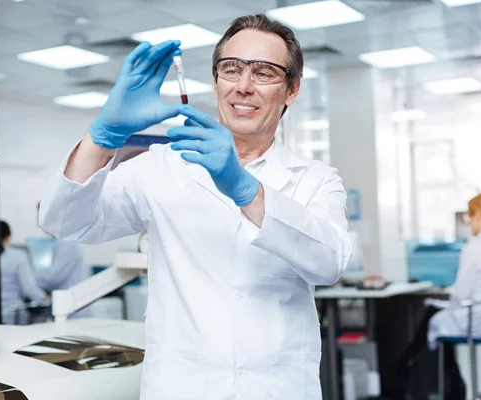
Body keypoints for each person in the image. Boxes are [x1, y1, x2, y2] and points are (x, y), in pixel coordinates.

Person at [39, 14, 352, 400]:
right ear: (216, 80)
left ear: (291, 90)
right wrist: (103, 137)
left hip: (279, 388)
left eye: (265, 73)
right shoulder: (160, 167)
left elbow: (329, 262)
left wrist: (245, 190)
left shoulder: (316, 179)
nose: (243, 86)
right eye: (231, 69)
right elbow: (63, 221)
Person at [398, 193, 481, 399]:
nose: (469, 223)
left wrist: (447, 297)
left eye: (469, 217)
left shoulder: (474, 248)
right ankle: (445, 382)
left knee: (433, 316)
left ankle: (417, 368)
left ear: (478, 216)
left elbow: (460, 294)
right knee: (436, 314)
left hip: (473, 321)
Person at [0, 220, 48, 325]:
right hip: (13, 316)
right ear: (8, 236)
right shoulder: (18, 257)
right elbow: (29, 289)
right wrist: (46, 300)